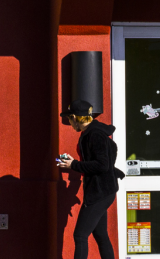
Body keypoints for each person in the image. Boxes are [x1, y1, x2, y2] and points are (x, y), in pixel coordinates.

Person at [56, 99, 123, 259]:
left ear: (76, 117)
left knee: (80, 235)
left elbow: (102, 165)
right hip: (101, 190)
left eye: (70, 119)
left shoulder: (95, 135)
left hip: (100, 192)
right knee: (100, 235)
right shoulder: (91, 133)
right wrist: (75, 163)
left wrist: (74, 165)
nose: (70, 123)